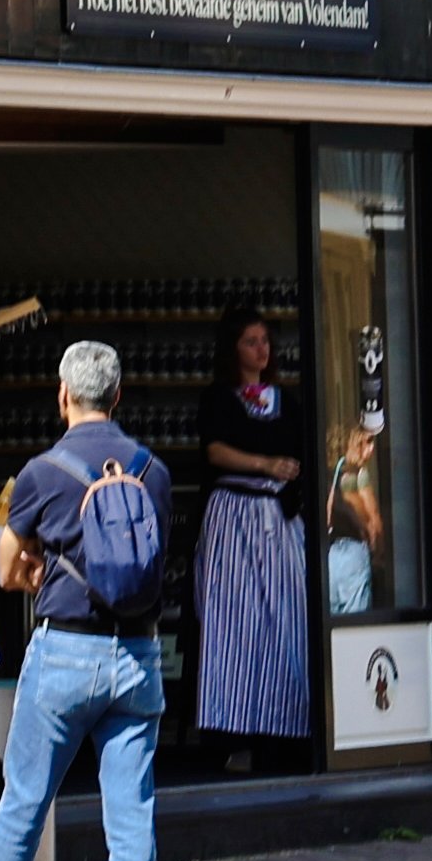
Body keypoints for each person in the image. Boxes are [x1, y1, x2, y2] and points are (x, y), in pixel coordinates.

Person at [0, 341, 172, 861]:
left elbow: (5, 567)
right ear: (119, 396)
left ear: (61, 394)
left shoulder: (42, 473)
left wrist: (38, 572)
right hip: (136, 655)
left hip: (64, 652)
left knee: (25, 799)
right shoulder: (152, 471)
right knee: (131, 811)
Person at [191, 309, 310, 754]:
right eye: (250, 341)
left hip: (279, 517)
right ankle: (230, 731)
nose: (262, 349)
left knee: (287, 617)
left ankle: (287, 727)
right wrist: (265, 464)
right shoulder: (219, 399)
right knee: (233, 625)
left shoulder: (289, 401)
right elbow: (216, 452)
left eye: (265, 340)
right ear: (233, 350)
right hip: (234, 517)